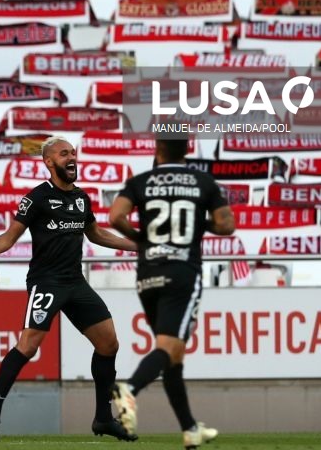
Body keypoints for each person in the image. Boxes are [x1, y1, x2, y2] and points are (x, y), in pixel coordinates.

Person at [0, 136, 139, 443]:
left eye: (73, 152)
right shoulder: (36, 198)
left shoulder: (81, 198)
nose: (71, 157)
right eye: (64, 154)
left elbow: (96, 234)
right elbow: (11, 236)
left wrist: (135, 245)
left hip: (75, 282)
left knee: (109, 344)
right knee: (28, 347)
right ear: (49, 162)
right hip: (46, 282)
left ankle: (102, 419)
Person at [109, 138, 236, 449]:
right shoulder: (202, 181)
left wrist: (140, 239)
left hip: (148, 274)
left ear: (158, 150)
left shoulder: (140, 181)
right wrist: (199, 223)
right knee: (168, 347)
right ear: (187, 151)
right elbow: (226, 225)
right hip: (181, 273)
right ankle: (130, 388)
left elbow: (114, 217)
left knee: (172, 355)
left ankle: (190, 428)